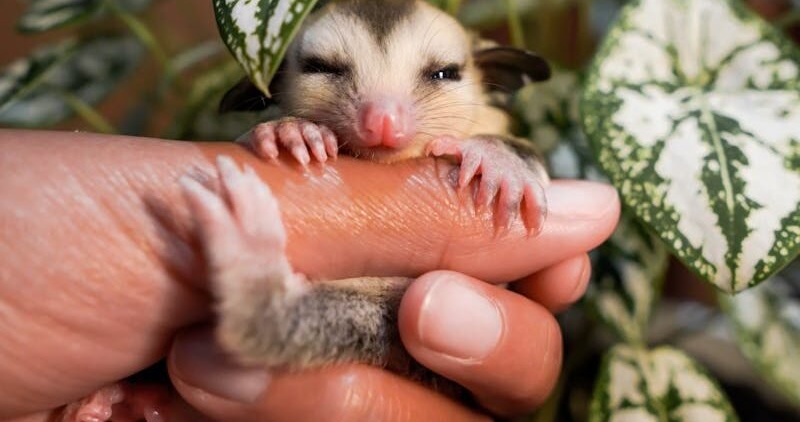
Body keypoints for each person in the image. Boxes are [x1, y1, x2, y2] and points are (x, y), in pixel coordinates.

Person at [0, 129, 619, 422]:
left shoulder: (475, 138)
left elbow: (526, 172)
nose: (384, 119)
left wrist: (505, 160)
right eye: (330, 70)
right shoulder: (299, 142)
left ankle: (266, 320)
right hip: (229, 326)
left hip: (358, 323)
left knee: (405, 315)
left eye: (436, 76)